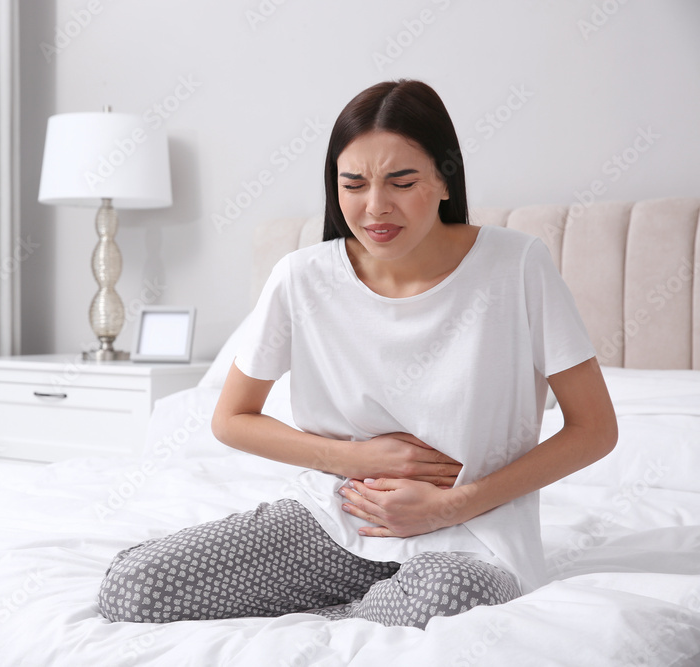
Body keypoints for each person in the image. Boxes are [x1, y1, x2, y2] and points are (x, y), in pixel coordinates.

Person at [97, 79, 618, 628]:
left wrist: (453, 505)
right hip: (336, 521)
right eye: (353, 184)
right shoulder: (301, 278)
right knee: (134, 590)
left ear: (444, 179)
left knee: (444, 597)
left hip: (469, 539)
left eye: (401, 181)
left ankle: (338, 620)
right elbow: (231, 419)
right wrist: (355, 459)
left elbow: (594, 429)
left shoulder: (517, 266)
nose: (375, 208)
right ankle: (351, 613)